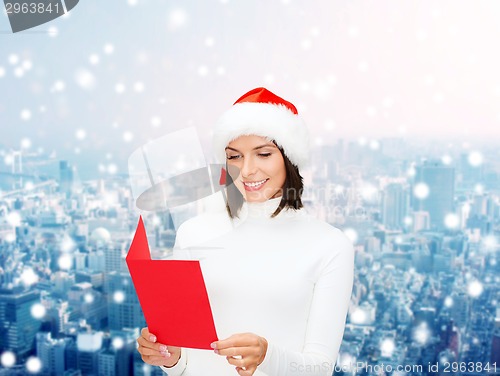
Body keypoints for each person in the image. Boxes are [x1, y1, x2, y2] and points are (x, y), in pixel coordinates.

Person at [136, 87, 355, 376]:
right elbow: (185, 362)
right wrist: (170, 358)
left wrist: (268, 356)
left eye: (263, 154)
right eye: (234, 156)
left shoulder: (329, 245)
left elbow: (321, 368)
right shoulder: (193, 233)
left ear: (290, 160)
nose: (247, 170)